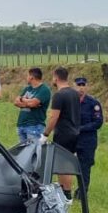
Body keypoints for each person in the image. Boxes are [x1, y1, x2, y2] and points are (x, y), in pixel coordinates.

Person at [43, 66, 81, 199]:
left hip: (63, 133)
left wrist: (45, 134)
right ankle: (67, 191)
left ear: (56, 77)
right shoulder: (75, 93)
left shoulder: (59, 95)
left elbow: (54, 117)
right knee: (68, 162)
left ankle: (64, 193)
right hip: (75, 132)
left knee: (61, 163)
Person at [75, 76, 104, 194]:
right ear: (74, 86)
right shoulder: (71, 102)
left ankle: (82, 192)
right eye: (78, 85)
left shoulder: (93, 103)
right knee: (71, 166)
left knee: (85, 167)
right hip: (73, 139)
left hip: (87, 141)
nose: (81, 88)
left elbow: (98, 122)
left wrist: (81, 129)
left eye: (83, 85)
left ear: (87, 87)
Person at [12, 67, 50, 144]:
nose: (27, 78)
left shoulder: (44, 90)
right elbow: (16, 102)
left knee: (34, 153)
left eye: (27, 76)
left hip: (34, 126)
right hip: (21, 125)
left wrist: (22, 100)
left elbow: (33, 103)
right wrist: (27, 102)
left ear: (31, 77)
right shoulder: (27, 88)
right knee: (23, 154)